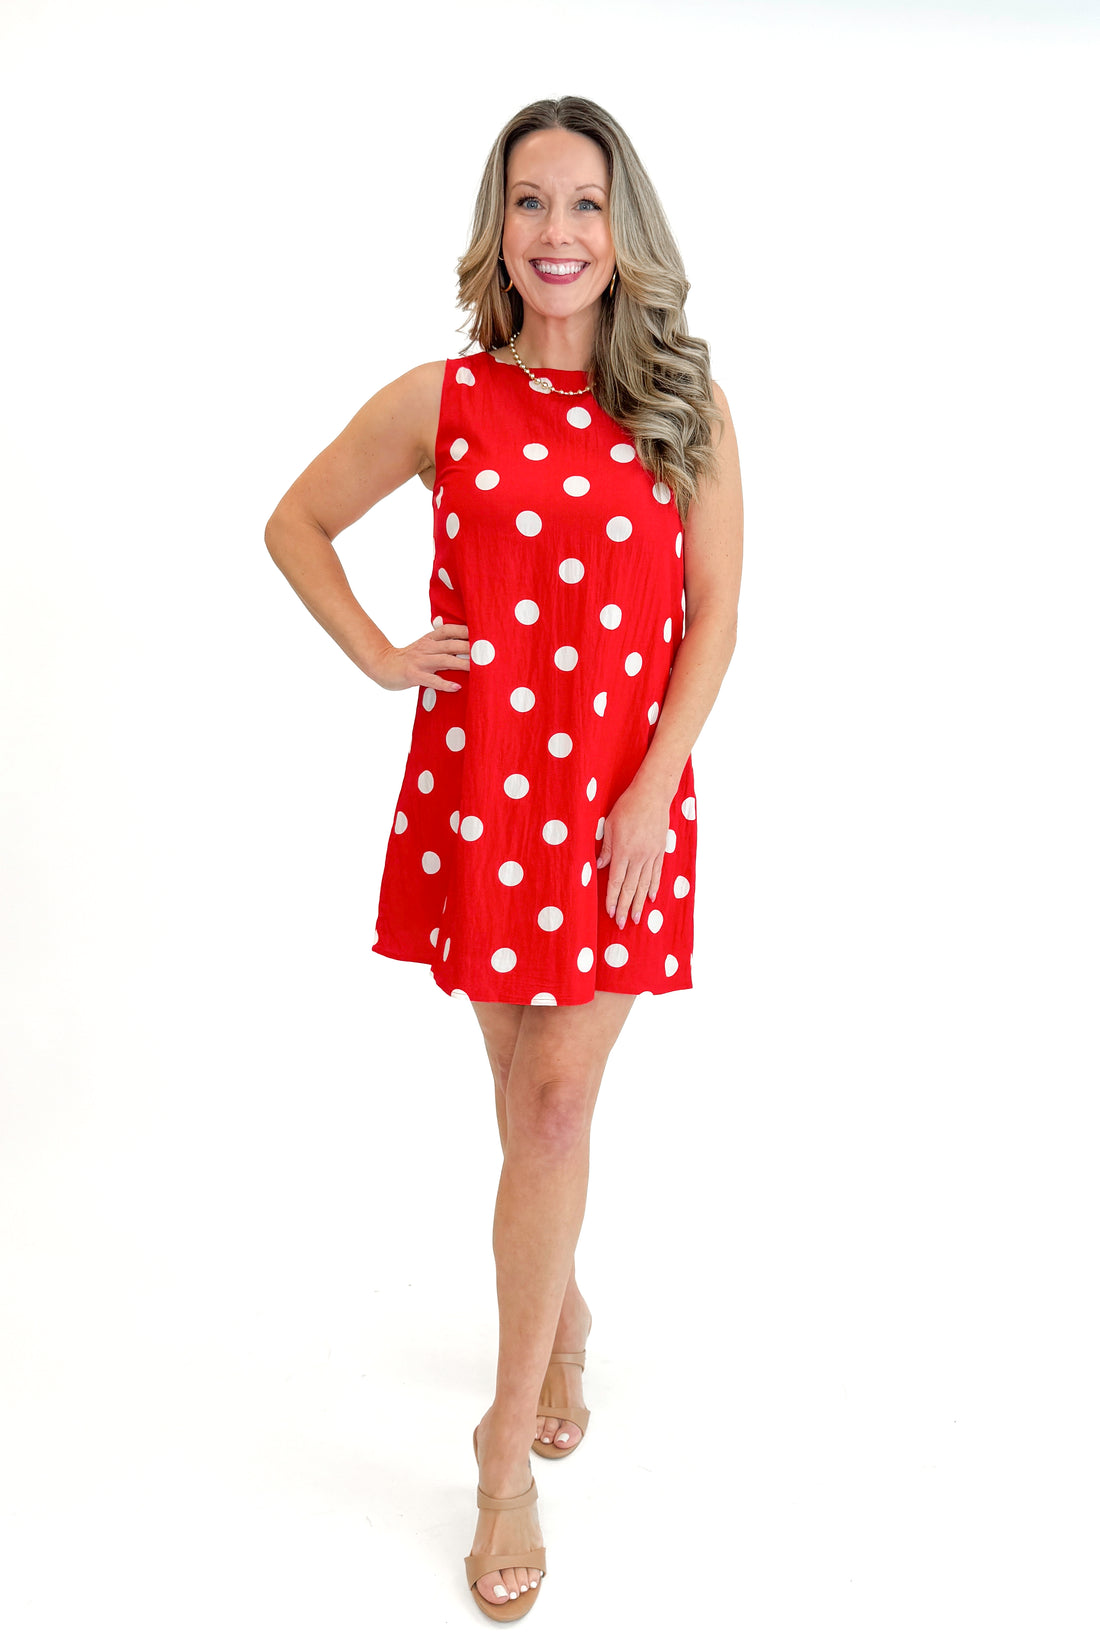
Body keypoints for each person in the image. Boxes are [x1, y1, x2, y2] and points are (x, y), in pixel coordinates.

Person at [264, 95, 743, 1621]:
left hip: (618, 810)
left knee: (552, 1100)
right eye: (529, 203)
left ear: (626, 230)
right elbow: (296, 524)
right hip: (482, 801)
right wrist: (384, 656)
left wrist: (653, 790)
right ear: (499, 230)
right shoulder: (443, 401)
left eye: (583, 205)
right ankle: (568, 1306)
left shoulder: (687, 403)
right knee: (517, 1094)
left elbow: (716, 616)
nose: (556, 233)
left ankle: (500, 1457)